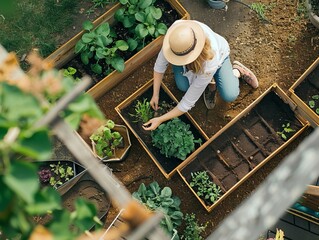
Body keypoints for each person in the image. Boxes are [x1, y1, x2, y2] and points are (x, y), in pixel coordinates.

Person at [143, 19, 258, 131]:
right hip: (194, 63)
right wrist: (155, 94)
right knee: (183, 86)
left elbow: (187, 103)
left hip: (217, 60)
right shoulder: (176, 37)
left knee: (230, 95)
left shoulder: (210, 61)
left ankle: (237, 71)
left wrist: (160, 119)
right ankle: (209, 81)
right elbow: (159, 66)